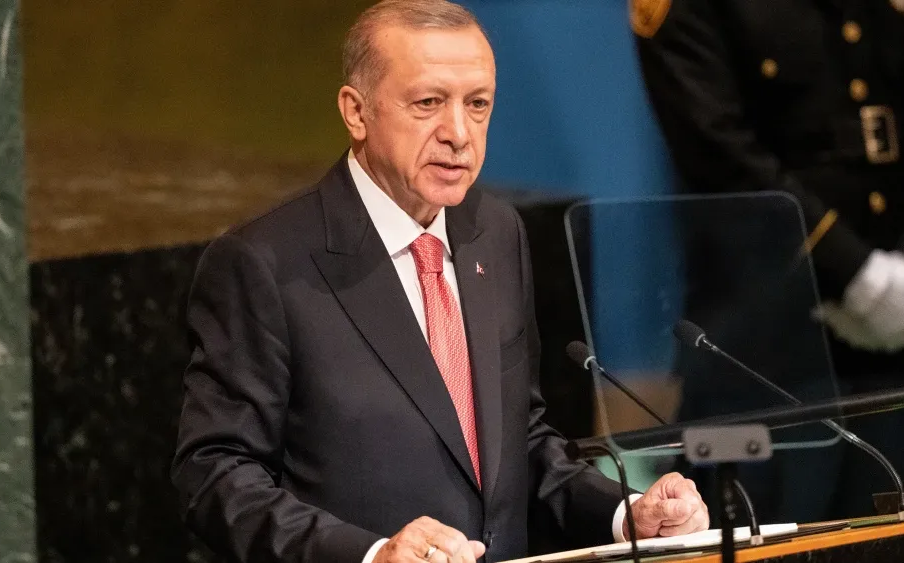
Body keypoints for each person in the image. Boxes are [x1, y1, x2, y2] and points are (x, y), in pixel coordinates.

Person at [171, 2, 709, 562]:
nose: (458, 133)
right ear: (356, 112)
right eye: (428, 103)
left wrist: (626, 513)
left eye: (477, 105)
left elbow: (517, 448)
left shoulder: (496, 234)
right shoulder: (263, 264)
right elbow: (215, 475)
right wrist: (373, 554)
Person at [632, 0, 904, 521]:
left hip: (899, 334)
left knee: (901, 540)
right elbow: (715, 146)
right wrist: (854, 274)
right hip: (766, 341)